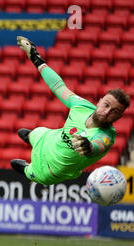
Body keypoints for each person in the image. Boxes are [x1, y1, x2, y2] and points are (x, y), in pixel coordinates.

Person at [11, 36, 130, 186]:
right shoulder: (81, 106)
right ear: (99, 101)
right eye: (106, 105)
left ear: (119, 117)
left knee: (28, 171)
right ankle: (31, 137)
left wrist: (88, 147)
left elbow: (97, 147)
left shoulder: (106, 136)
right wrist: (35, 56)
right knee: (33, 132)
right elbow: (58, 86)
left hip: (49, 170)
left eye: (114, 111)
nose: (107, 112)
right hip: (49, 138)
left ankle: (27, 169)